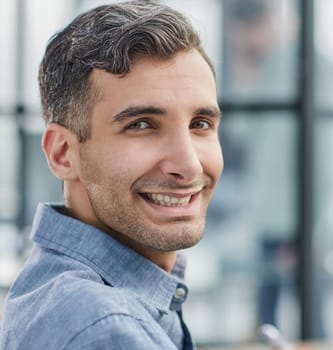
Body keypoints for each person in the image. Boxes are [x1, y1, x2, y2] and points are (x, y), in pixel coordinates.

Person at [0, 1, 222, 349]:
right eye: (142, 125)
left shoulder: (67, 294)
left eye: (201, 124)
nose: (190, 165)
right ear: (62, 153)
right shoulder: (104, 328)